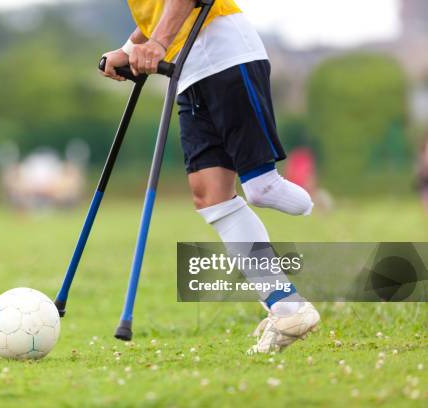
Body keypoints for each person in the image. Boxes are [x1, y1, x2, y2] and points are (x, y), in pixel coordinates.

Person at [101, 0, 319, 354]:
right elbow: (155, 10)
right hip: (188, 73)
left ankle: (314, 202)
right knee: (210, 196)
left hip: (227, 58)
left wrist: (157, 44)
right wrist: (130, 49)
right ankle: (288, 307)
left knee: (261, 188)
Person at [417, 138, 428, 212]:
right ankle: (425, 207)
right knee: (424, 191)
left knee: (424, 191)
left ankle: (425, 207)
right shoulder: (422, 155)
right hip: (424, 176)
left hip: (424, 175)